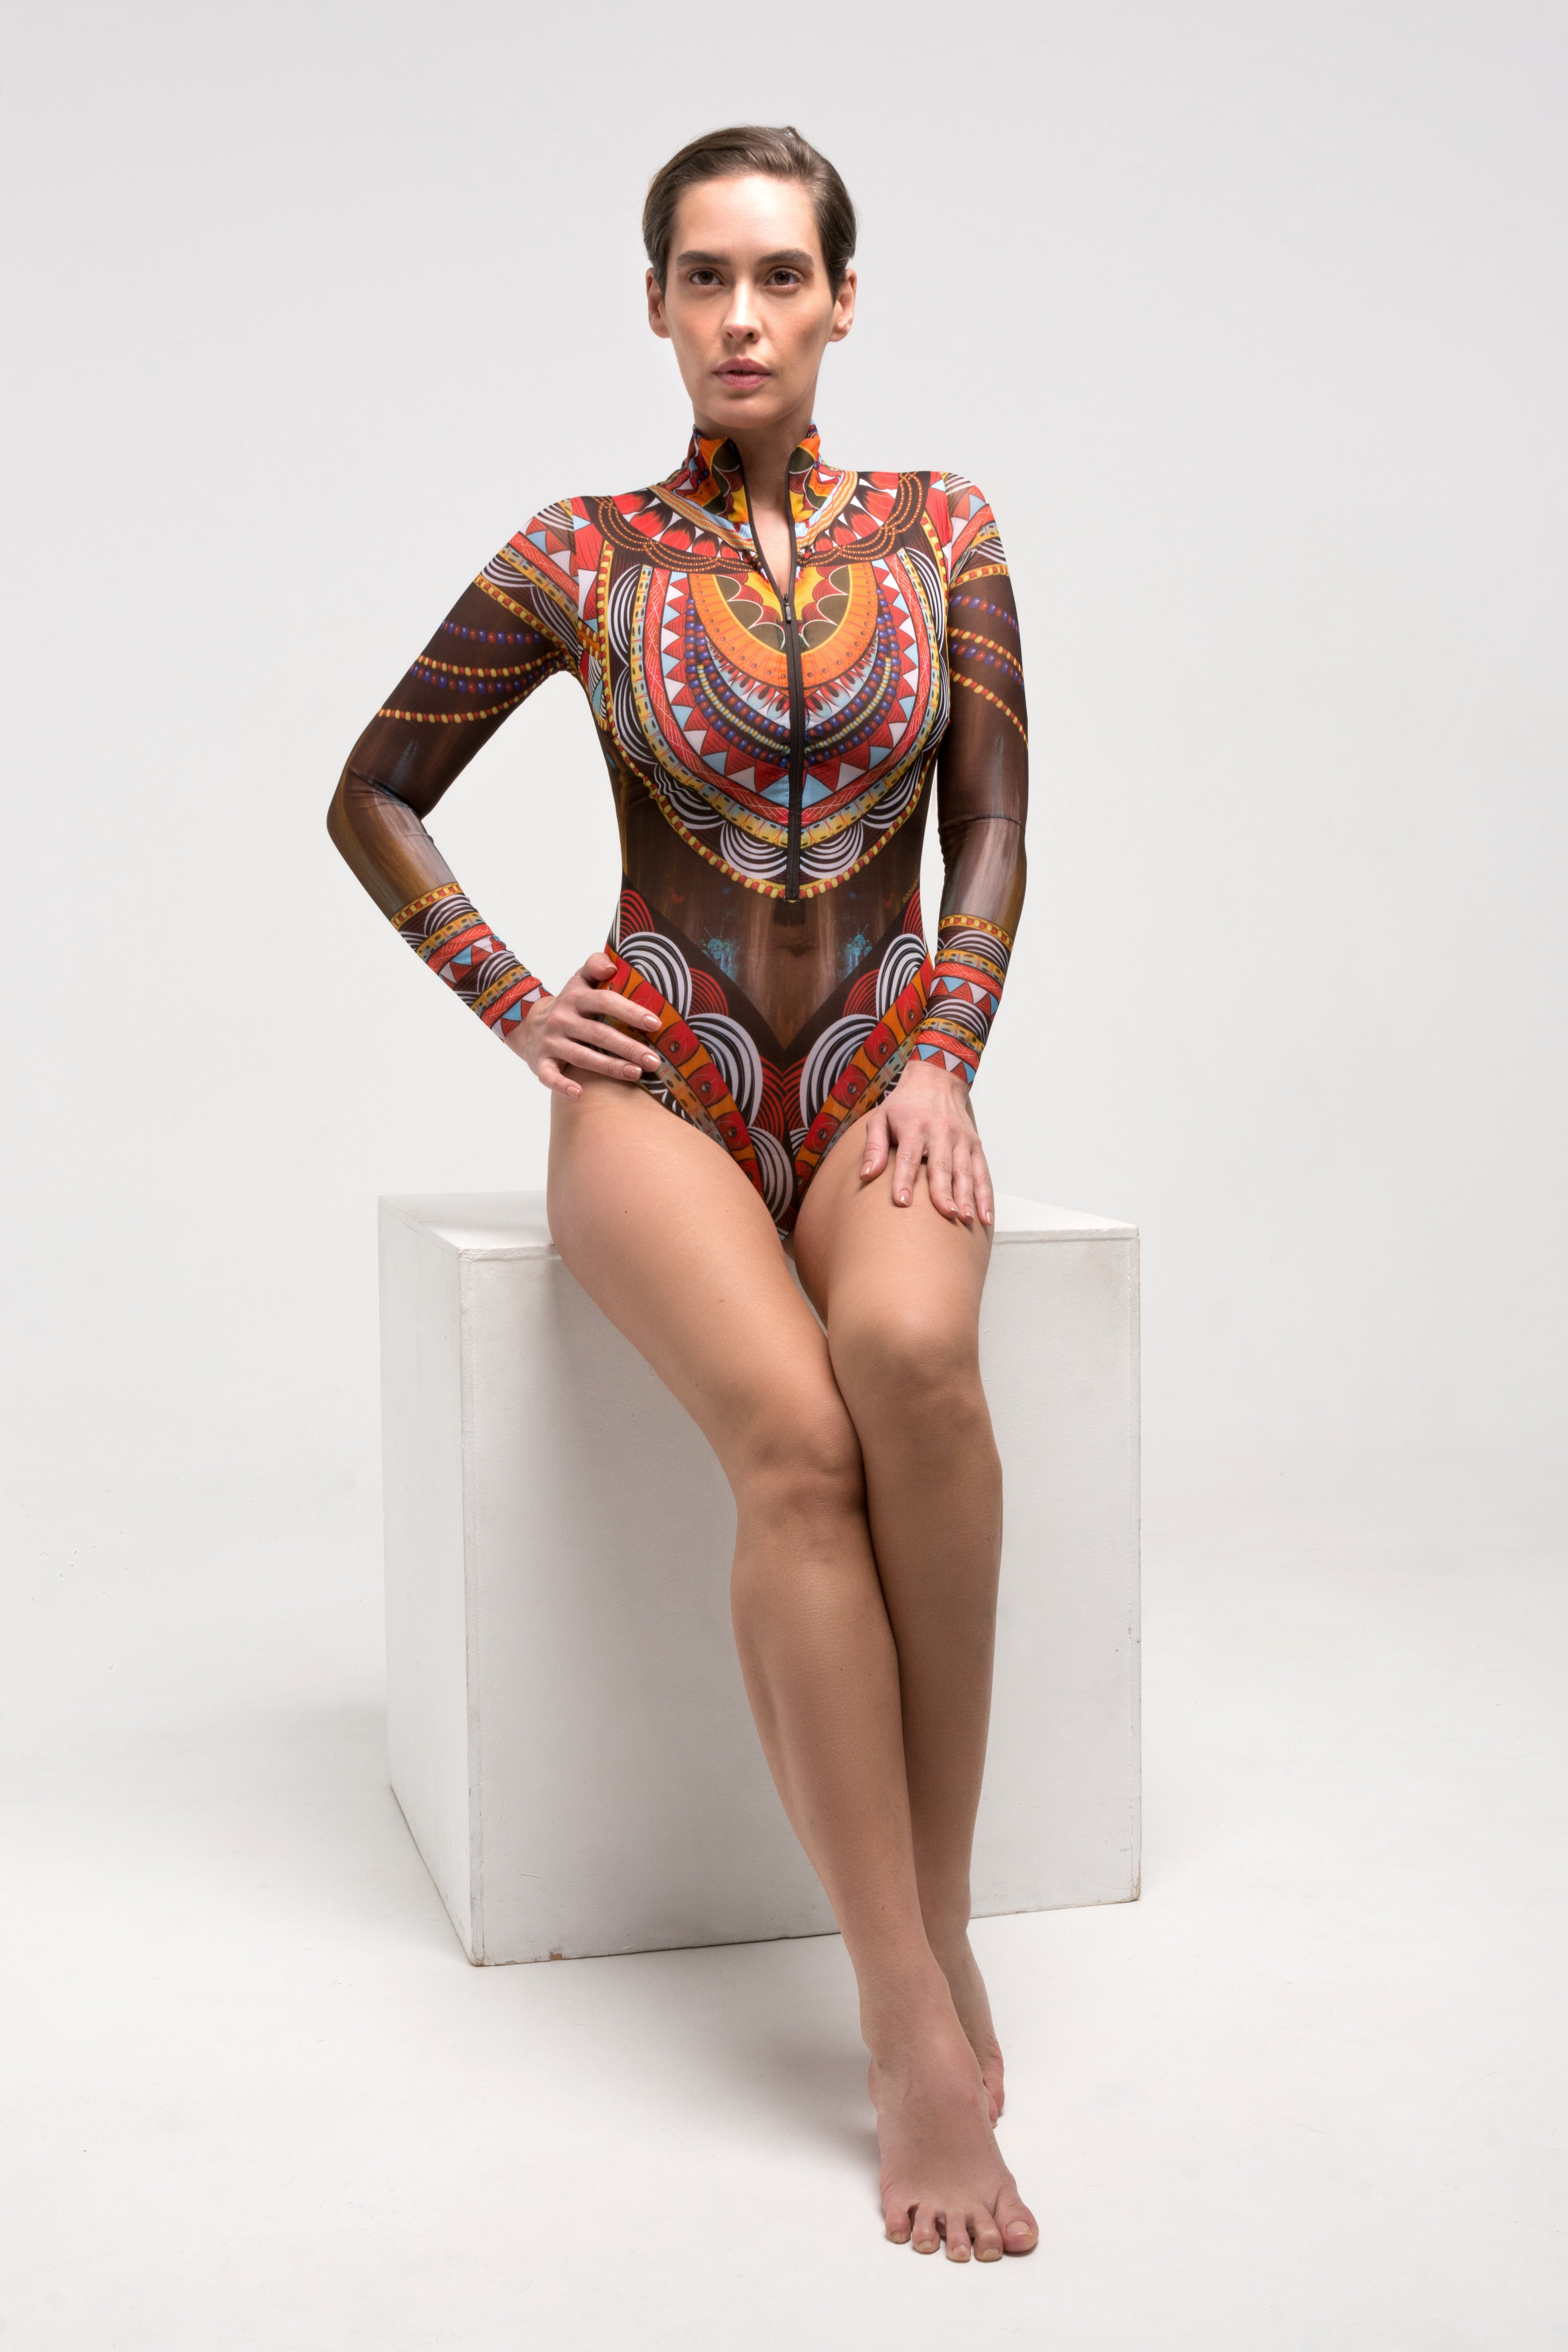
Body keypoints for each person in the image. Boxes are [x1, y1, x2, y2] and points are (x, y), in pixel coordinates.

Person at [329, 124, 1034, 2263]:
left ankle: (936, 1906)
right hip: (669, 1073)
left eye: (779, 276)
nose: (741, 315)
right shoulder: (581, 554)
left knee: (915, 1368)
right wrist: (508, 999)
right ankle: (903, 2017)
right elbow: (373, 791)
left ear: (841, 302)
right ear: (652, 304)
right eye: (702, 277)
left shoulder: (943, 530)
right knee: (794, 1448)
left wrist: (944, 1053)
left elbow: (994, 828)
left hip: (878, 1063)